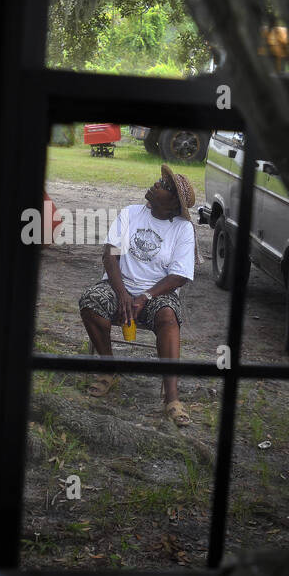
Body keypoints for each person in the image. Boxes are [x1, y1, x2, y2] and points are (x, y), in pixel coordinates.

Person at [78, 163, 197, 427]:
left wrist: (145, 297)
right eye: (159, 181)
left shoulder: (182, 229)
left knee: (168, 317)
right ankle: (109, 368)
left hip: (157, 293)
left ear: (174, 204)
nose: (157, 184)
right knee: (90, 303)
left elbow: (179, 276)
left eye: (164, 187)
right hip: (119, 285)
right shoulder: (131, 213)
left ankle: (173, 398)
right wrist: (122, 294)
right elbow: (110, 255)